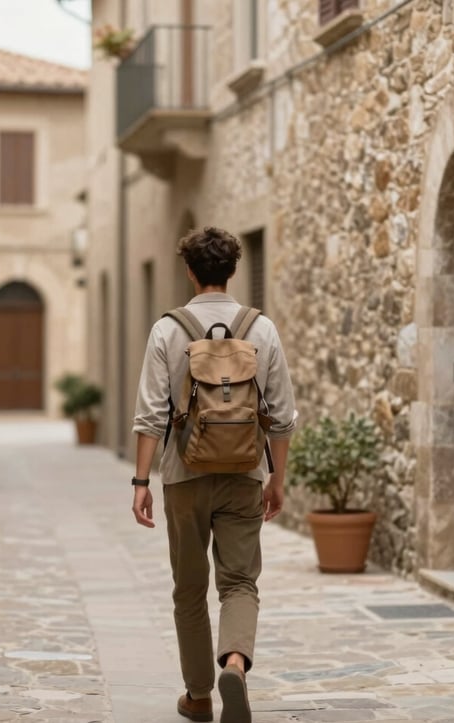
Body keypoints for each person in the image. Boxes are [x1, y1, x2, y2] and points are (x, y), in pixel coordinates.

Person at [131, 226, 296, 723]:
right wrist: (277, 478)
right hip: (245, 472)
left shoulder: (167, 329)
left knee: (189, 588)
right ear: (233, 270)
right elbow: (284, 416)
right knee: (240, 581)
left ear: (189, 270)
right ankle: (237, 664)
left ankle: (199, 695)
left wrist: (141, 482)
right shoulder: (260, 328)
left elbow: (150, 415)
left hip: (183, 476)